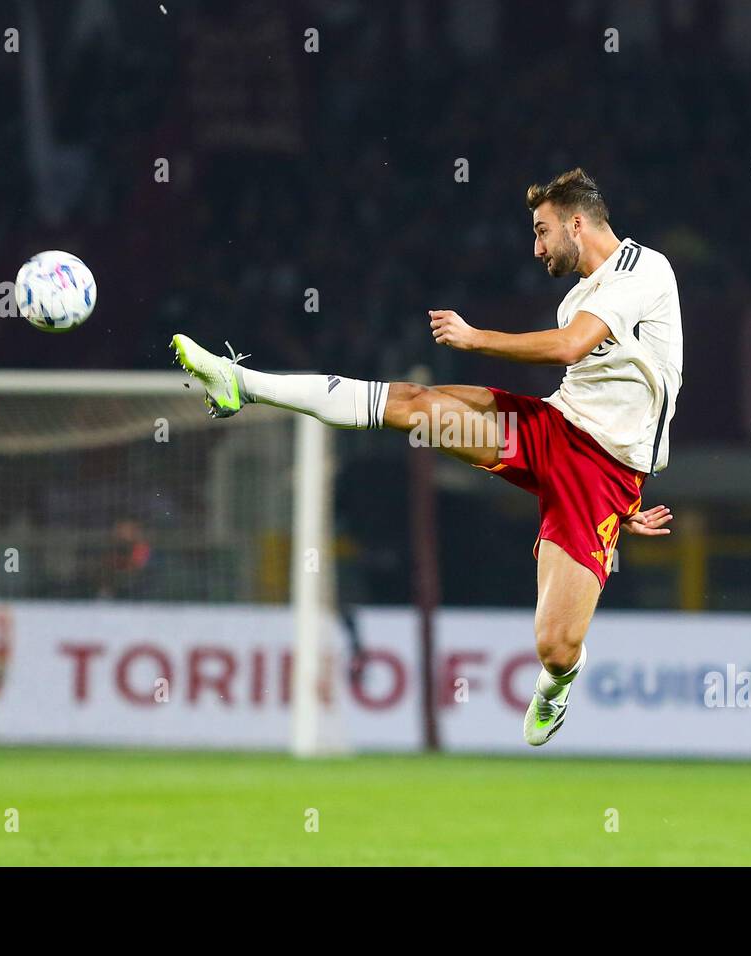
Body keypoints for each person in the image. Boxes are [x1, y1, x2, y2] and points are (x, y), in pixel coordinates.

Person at [171, 168, 682, 745]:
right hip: (554, 428)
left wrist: (475, 337)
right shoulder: (575, 298)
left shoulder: (645, 269)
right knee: (416, 405)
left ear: (577, 222)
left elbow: (571, 347)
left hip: (603, 474)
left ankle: (558, 684)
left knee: (554, 645)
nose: (536, 248)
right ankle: (243, 382)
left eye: (542, 233)